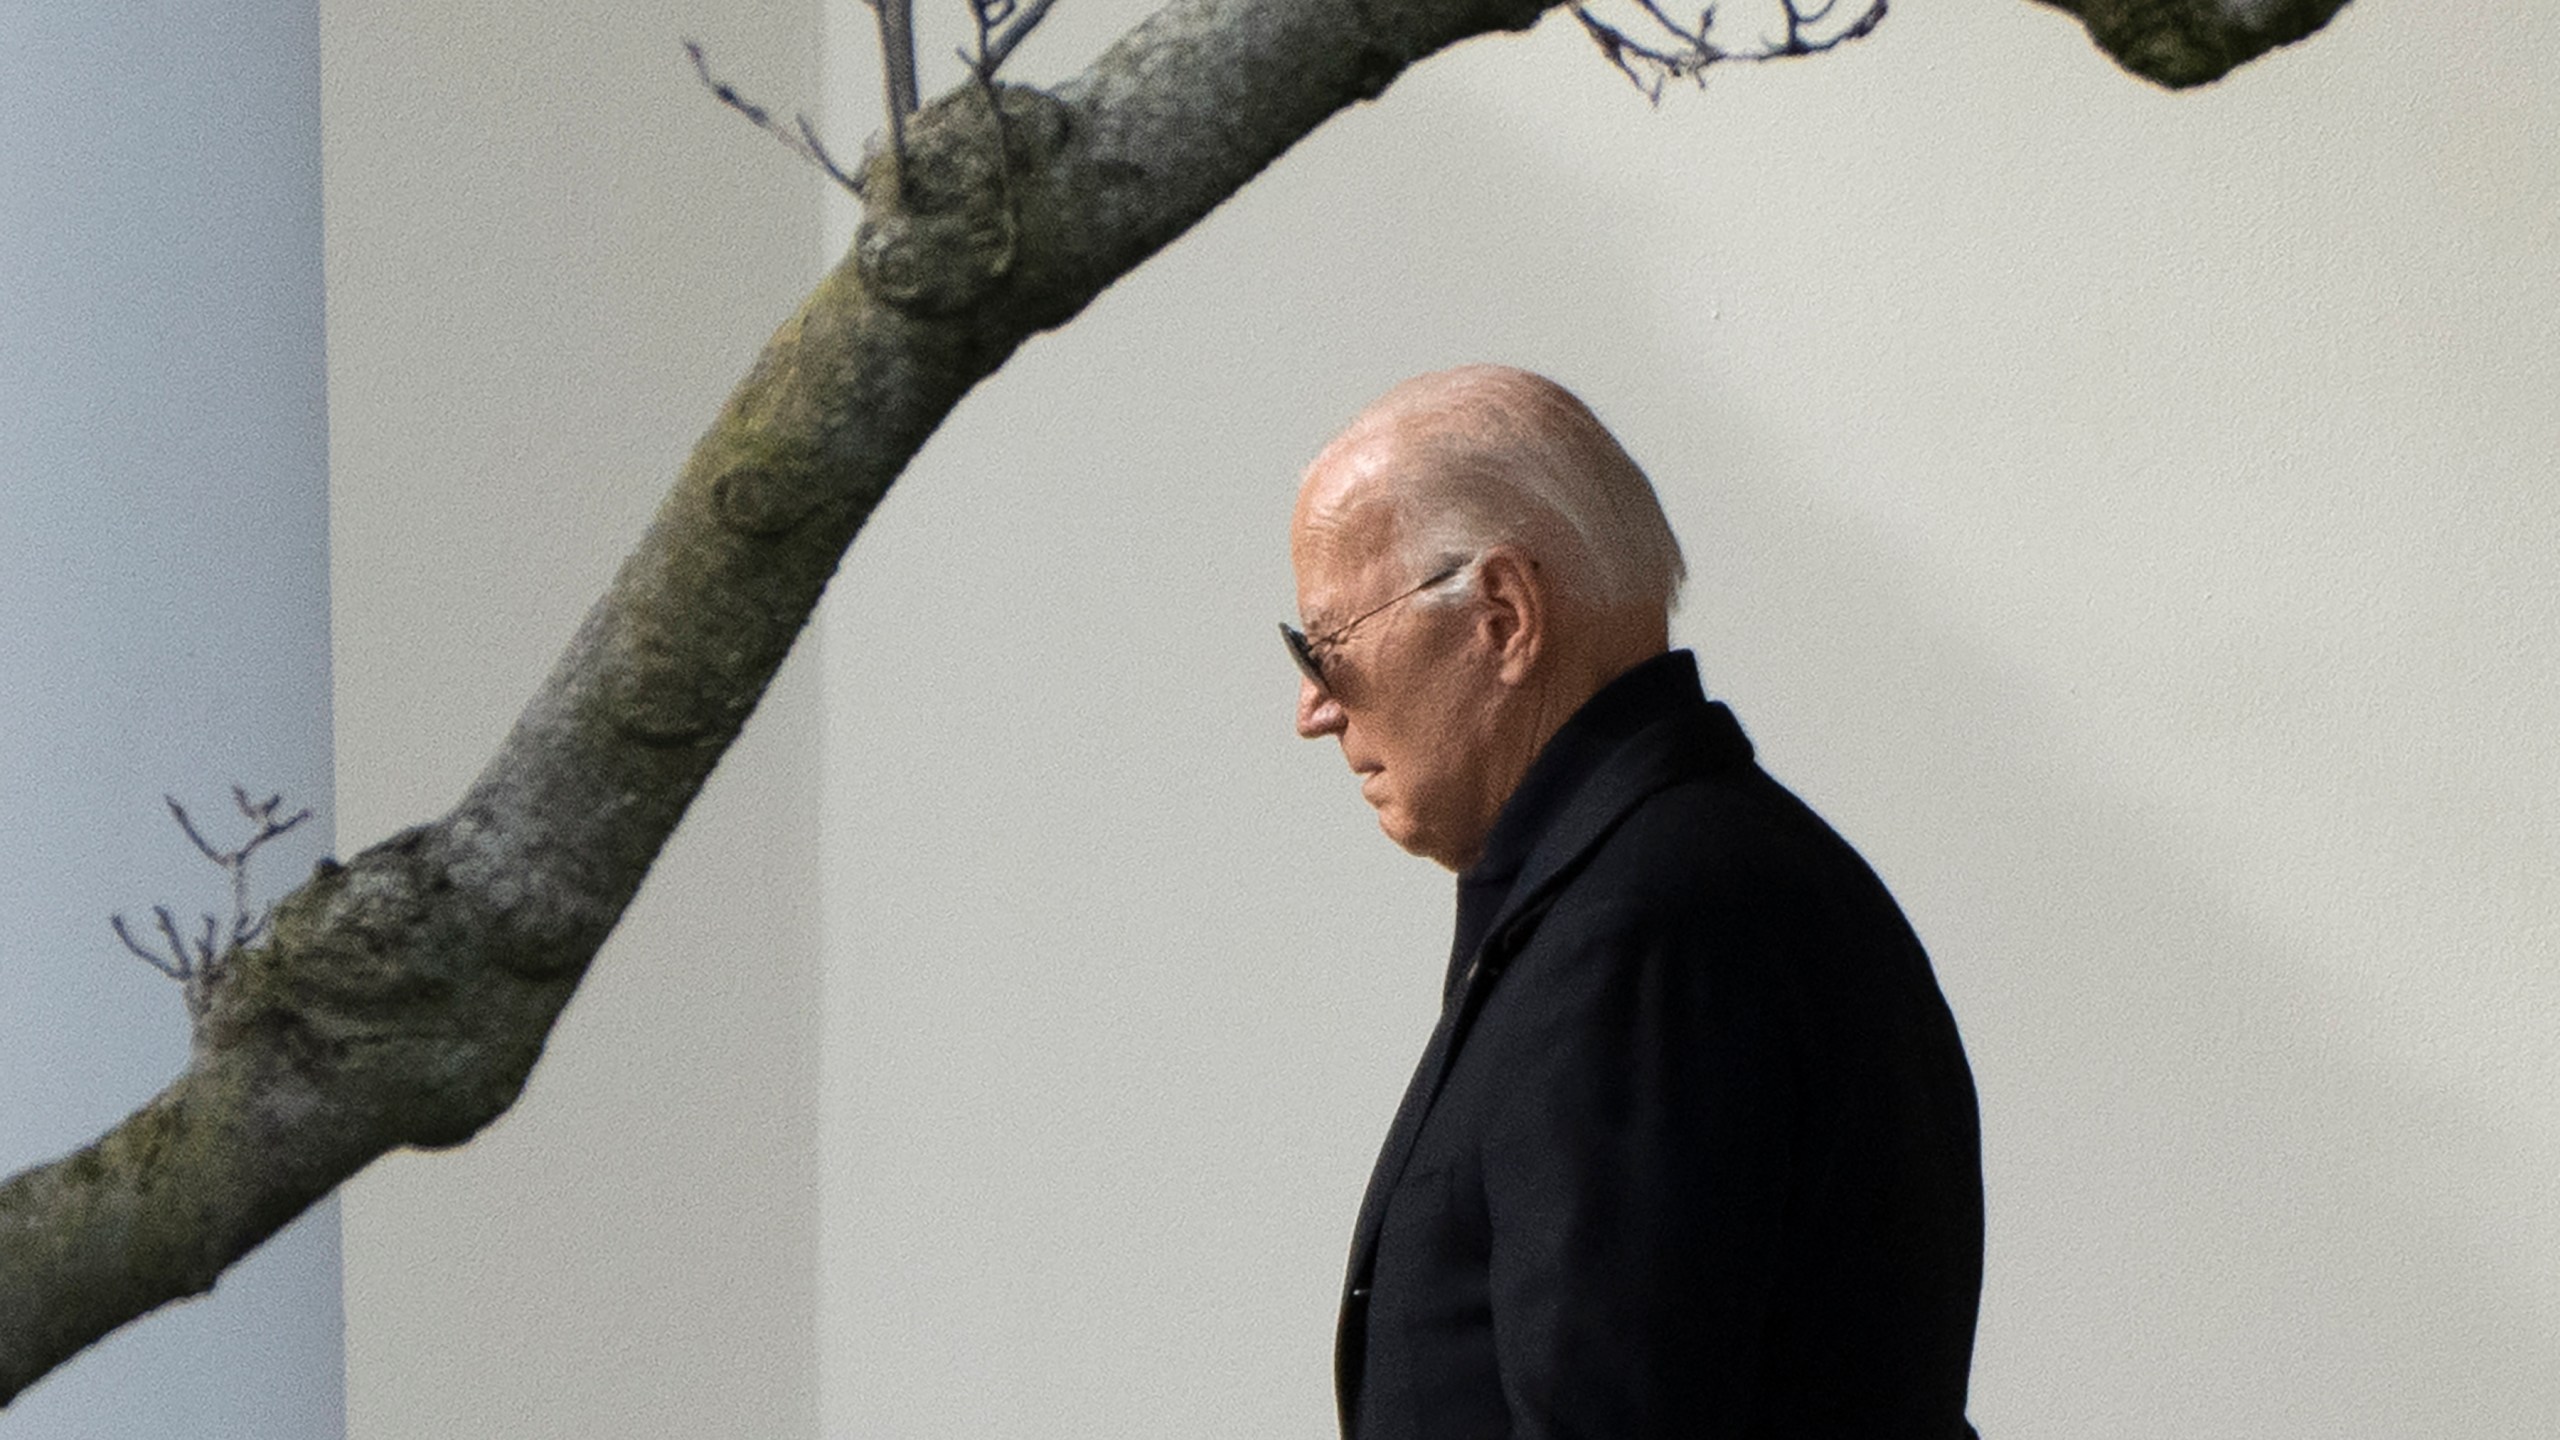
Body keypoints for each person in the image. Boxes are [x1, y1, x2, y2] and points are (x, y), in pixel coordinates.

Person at [1285, 365, 1984, 1439]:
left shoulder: (1645, 935)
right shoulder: (1695, 881)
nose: (1314, 709)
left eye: (1325, 647)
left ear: (1504, 617)